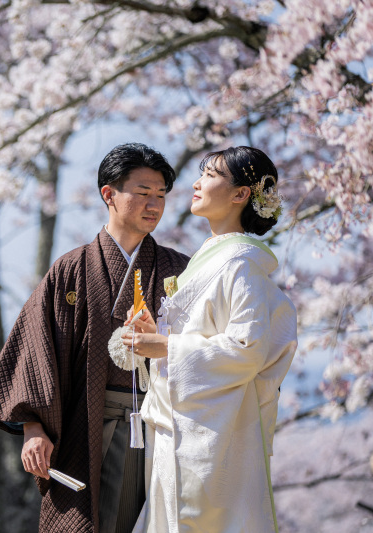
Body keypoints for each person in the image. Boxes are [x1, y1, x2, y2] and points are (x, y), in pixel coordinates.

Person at [0, 143, 190, 533]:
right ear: (109, 194)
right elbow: (37, 353)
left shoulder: (179, 269)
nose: (154, 204)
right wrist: (34, 429)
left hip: (164, 422)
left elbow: (201, 347)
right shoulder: (71, 270)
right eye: (143, 193)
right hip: (86, 422)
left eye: (161, 195)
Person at [124, 146, 298, 532]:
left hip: (212, 433)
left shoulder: (240, 264)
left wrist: (167, 346)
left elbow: (246, 349)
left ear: (241, 194)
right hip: (188, 421)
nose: (197, 183)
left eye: (211, 175)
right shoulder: (216, 257)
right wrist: (158, 335)